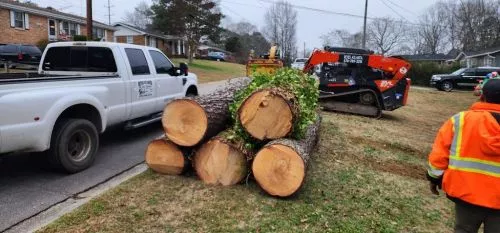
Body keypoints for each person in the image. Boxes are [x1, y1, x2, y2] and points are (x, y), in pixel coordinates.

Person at [427, 79, 500, 233]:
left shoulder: (460, 120)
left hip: (466, 194)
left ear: (482, 97)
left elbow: (439, 156)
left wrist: (434, 179)